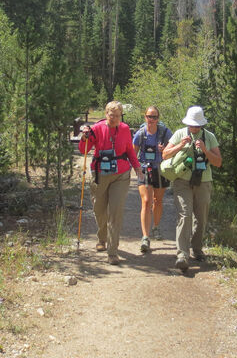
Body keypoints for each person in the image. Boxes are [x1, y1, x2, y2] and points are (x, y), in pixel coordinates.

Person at [79, 101, 143, 265]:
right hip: (100, 174)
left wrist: (136, 167)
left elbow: (129, 149)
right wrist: (84, 137)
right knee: (99, 209)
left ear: (121, 115)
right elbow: (84, 150)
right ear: (106, 114)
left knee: (116, 212)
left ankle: (112, 251)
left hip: (120, 174)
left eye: (116, 115)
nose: (113, 118)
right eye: (110, 114)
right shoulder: (97, 128)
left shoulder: (124, 129)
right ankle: (102, 237)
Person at [161, 105, 222, 270]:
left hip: (203, 181)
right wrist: (180, 146)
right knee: (184, 215)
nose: (193, 128)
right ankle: (182, 254)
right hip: (182, 181)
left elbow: (218, 162)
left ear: (201, 125)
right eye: (191, 125)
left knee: (201, 217)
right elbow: (165, 155)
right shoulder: (180, 134)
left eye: (196, 125)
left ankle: (197, 249)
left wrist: (204, 149)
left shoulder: (209, 137)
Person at [132, 106, 173, 253]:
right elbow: (133, 154)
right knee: (146, 201)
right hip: (145, 170)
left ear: (158, 118)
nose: (152, 120)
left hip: (160, 170)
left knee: (158, 201)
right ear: (145, 117)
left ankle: (156, 227)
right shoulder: (140, 134)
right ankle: (145, 237)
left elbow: (172, 152)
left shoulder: (165, 133)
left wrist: (164, 151)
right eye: (149, 116)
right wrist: (137, 170)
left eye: (154, 117)